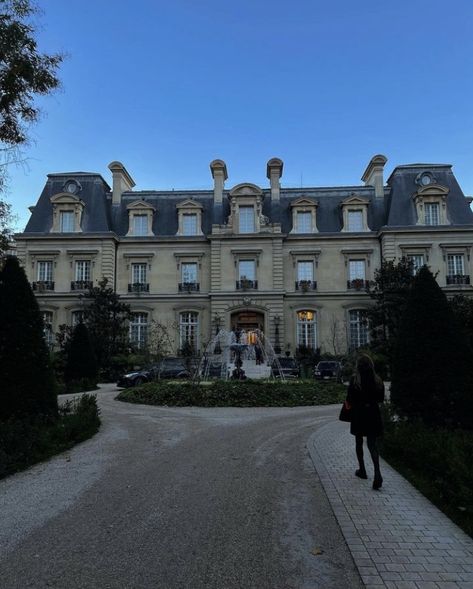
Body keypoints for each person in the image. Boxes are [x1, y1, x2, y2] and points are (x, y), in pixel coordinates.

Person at [346, 354, 385, 490]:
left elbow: (349, 399)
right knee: (372, 445)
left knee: (358, 441)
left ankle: (362, 470)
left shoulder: (355, 380)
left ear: (358, 366)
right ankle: (377, 473)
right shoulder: (378, 380)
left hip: (359, 414)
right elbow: (381, 399)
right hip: (373, 413)